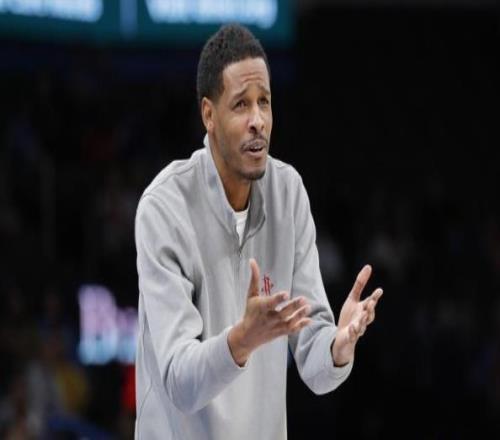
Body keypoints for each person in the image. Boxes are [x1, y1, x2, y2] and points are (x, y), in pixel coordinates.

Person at [134, 23, 383, 440]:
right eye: (241, 105)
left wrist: (338, 347)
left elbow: (316, 366)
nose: (258, 121)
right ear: (209, 115)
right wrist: (241, 340)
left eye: (264, 102)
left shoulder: (288, 193)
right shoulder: (164, 208)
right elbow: (179, 381)